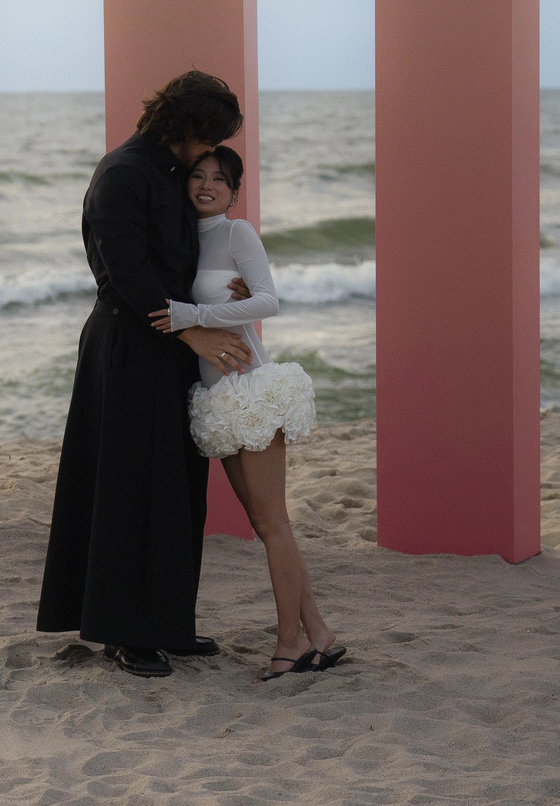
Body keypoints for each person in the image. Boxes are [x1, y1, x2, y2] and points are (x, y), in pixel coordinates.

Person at [36, 71, 253, 678]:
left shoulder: (169, 171)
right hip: (129, 346)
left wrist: (224, 289)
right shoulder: (123, 174)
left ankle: (166, 624)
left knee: (176, 488)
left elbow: (189, 257)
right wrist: (192, 332)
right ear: (184, 125)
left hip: (173, 344)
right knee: (128, 487)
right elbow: (126, 274)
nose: (209, 152)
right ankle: (124, 632)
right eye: (208, 137)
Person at [150, 147, 347, 681]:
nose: (207, 185)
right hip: (218, 399)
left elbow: (267, 301)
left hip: (251, 389)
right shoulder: (183, 240)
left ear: (235, 193)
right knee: (264, 523)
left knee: (272, 523)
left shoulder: (238, 233)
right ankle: (318, 632)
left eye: (220, 179)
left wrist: (194, 314)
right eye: (198, 175)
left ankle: (289, 643)